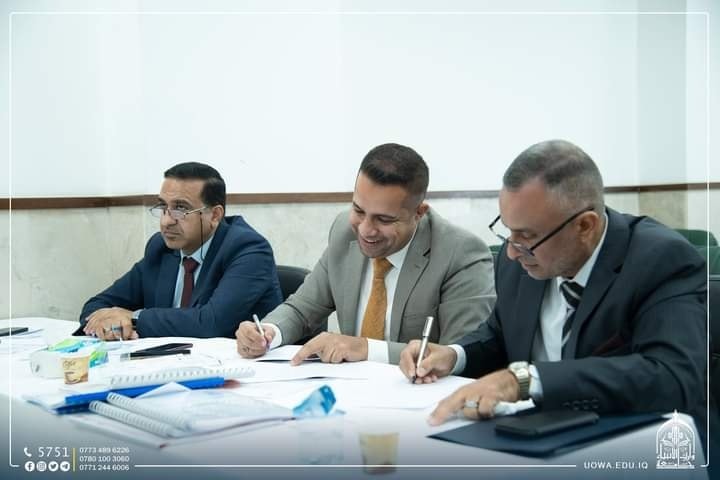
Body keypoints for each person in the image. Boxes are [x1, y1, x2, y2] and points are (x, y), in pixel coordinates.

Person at [399, 139, 707, 432]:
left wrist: (527, 380)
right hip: (536, 431)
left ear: (585, 226)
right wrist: (455, 355)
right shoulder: (518, 259)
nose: (511, 251)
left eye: (527, 236)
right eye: (508, 230)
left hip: (641, 438)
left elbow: (672, 376)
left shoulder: (661, 259)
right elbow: (500, 335)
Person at [235, 143, 496, 365]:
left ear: (419, 213)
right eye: (359, 211)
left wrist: (366, 349)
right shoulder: (344, 231)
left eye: (384, 219)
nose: (366, 230)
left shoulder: (461, 254)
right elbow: (302, 310)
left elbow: (462, 354)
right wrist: (268, 332)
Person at [80, 162, 283, 340]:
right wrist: (109, 323)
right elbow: (97, 305)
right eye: (163, 206)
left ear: (214, 215)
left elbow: (210, 323)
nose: (166, 221)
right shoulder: (161, 248)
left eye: (180, 209)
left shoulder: (248, 249)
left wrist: (133, 319)